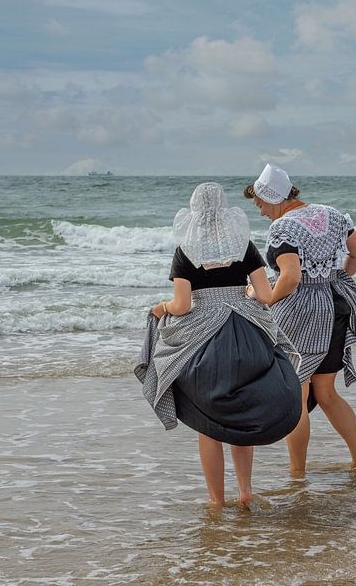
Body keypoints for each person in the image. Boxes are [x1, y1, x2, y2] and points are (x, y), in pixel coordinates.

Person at [135, 182, 301, 507]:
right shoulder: (244, 245)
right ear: (225, 209)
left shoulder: (185, 251)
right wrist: (246, 296)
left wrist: (162, 308)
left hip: (204, 339)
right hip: (247, 336)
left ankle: (216, 501)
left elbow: (182, 305)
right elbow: (266, 296)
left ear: (194, 210)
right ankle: (246, 494)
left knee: (210, 426)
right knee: (243, 414)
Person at [244, 163, 356, 475]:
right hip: (336, 305)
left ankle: (297, 472)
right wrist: (332, 281)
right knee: (327, 393)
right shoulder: (332, 214)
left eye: (260, 204)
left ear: (272, 197)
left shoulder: (283, 228)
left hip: (304, 314)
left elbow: (290, 278)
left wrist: (266, 298)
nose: (261, 212)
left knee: (296, 398)